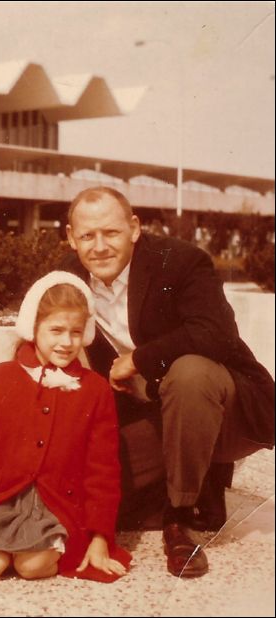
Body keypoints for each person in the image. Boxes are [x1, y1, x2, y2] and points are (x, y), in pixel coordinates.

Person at [62, 186, 275, 578]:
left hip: (226, 408)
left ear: (135, 229)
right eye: (87, 236)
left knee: (189, 372)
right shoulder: (67, 278)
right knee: (98, 494)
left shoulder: (180, 261)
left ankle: (178, 520)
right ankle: (201, 488)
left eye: (111, 233)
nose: (99, 246)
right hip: (153, 411)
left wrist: (138, 361)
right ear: (72, 238)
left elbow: (215, 332)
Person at [0, 271, 131, 584]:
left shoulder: (95, 389)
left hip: (58, 504)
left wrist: (99, 538)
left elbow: (103, 470)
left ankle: (35, 551)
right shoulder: (0, 378)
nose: (66, 342)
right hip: (2, 499)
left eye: (76, 332)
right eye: (56, 330)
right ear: (33, 328)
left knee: (32, 566)